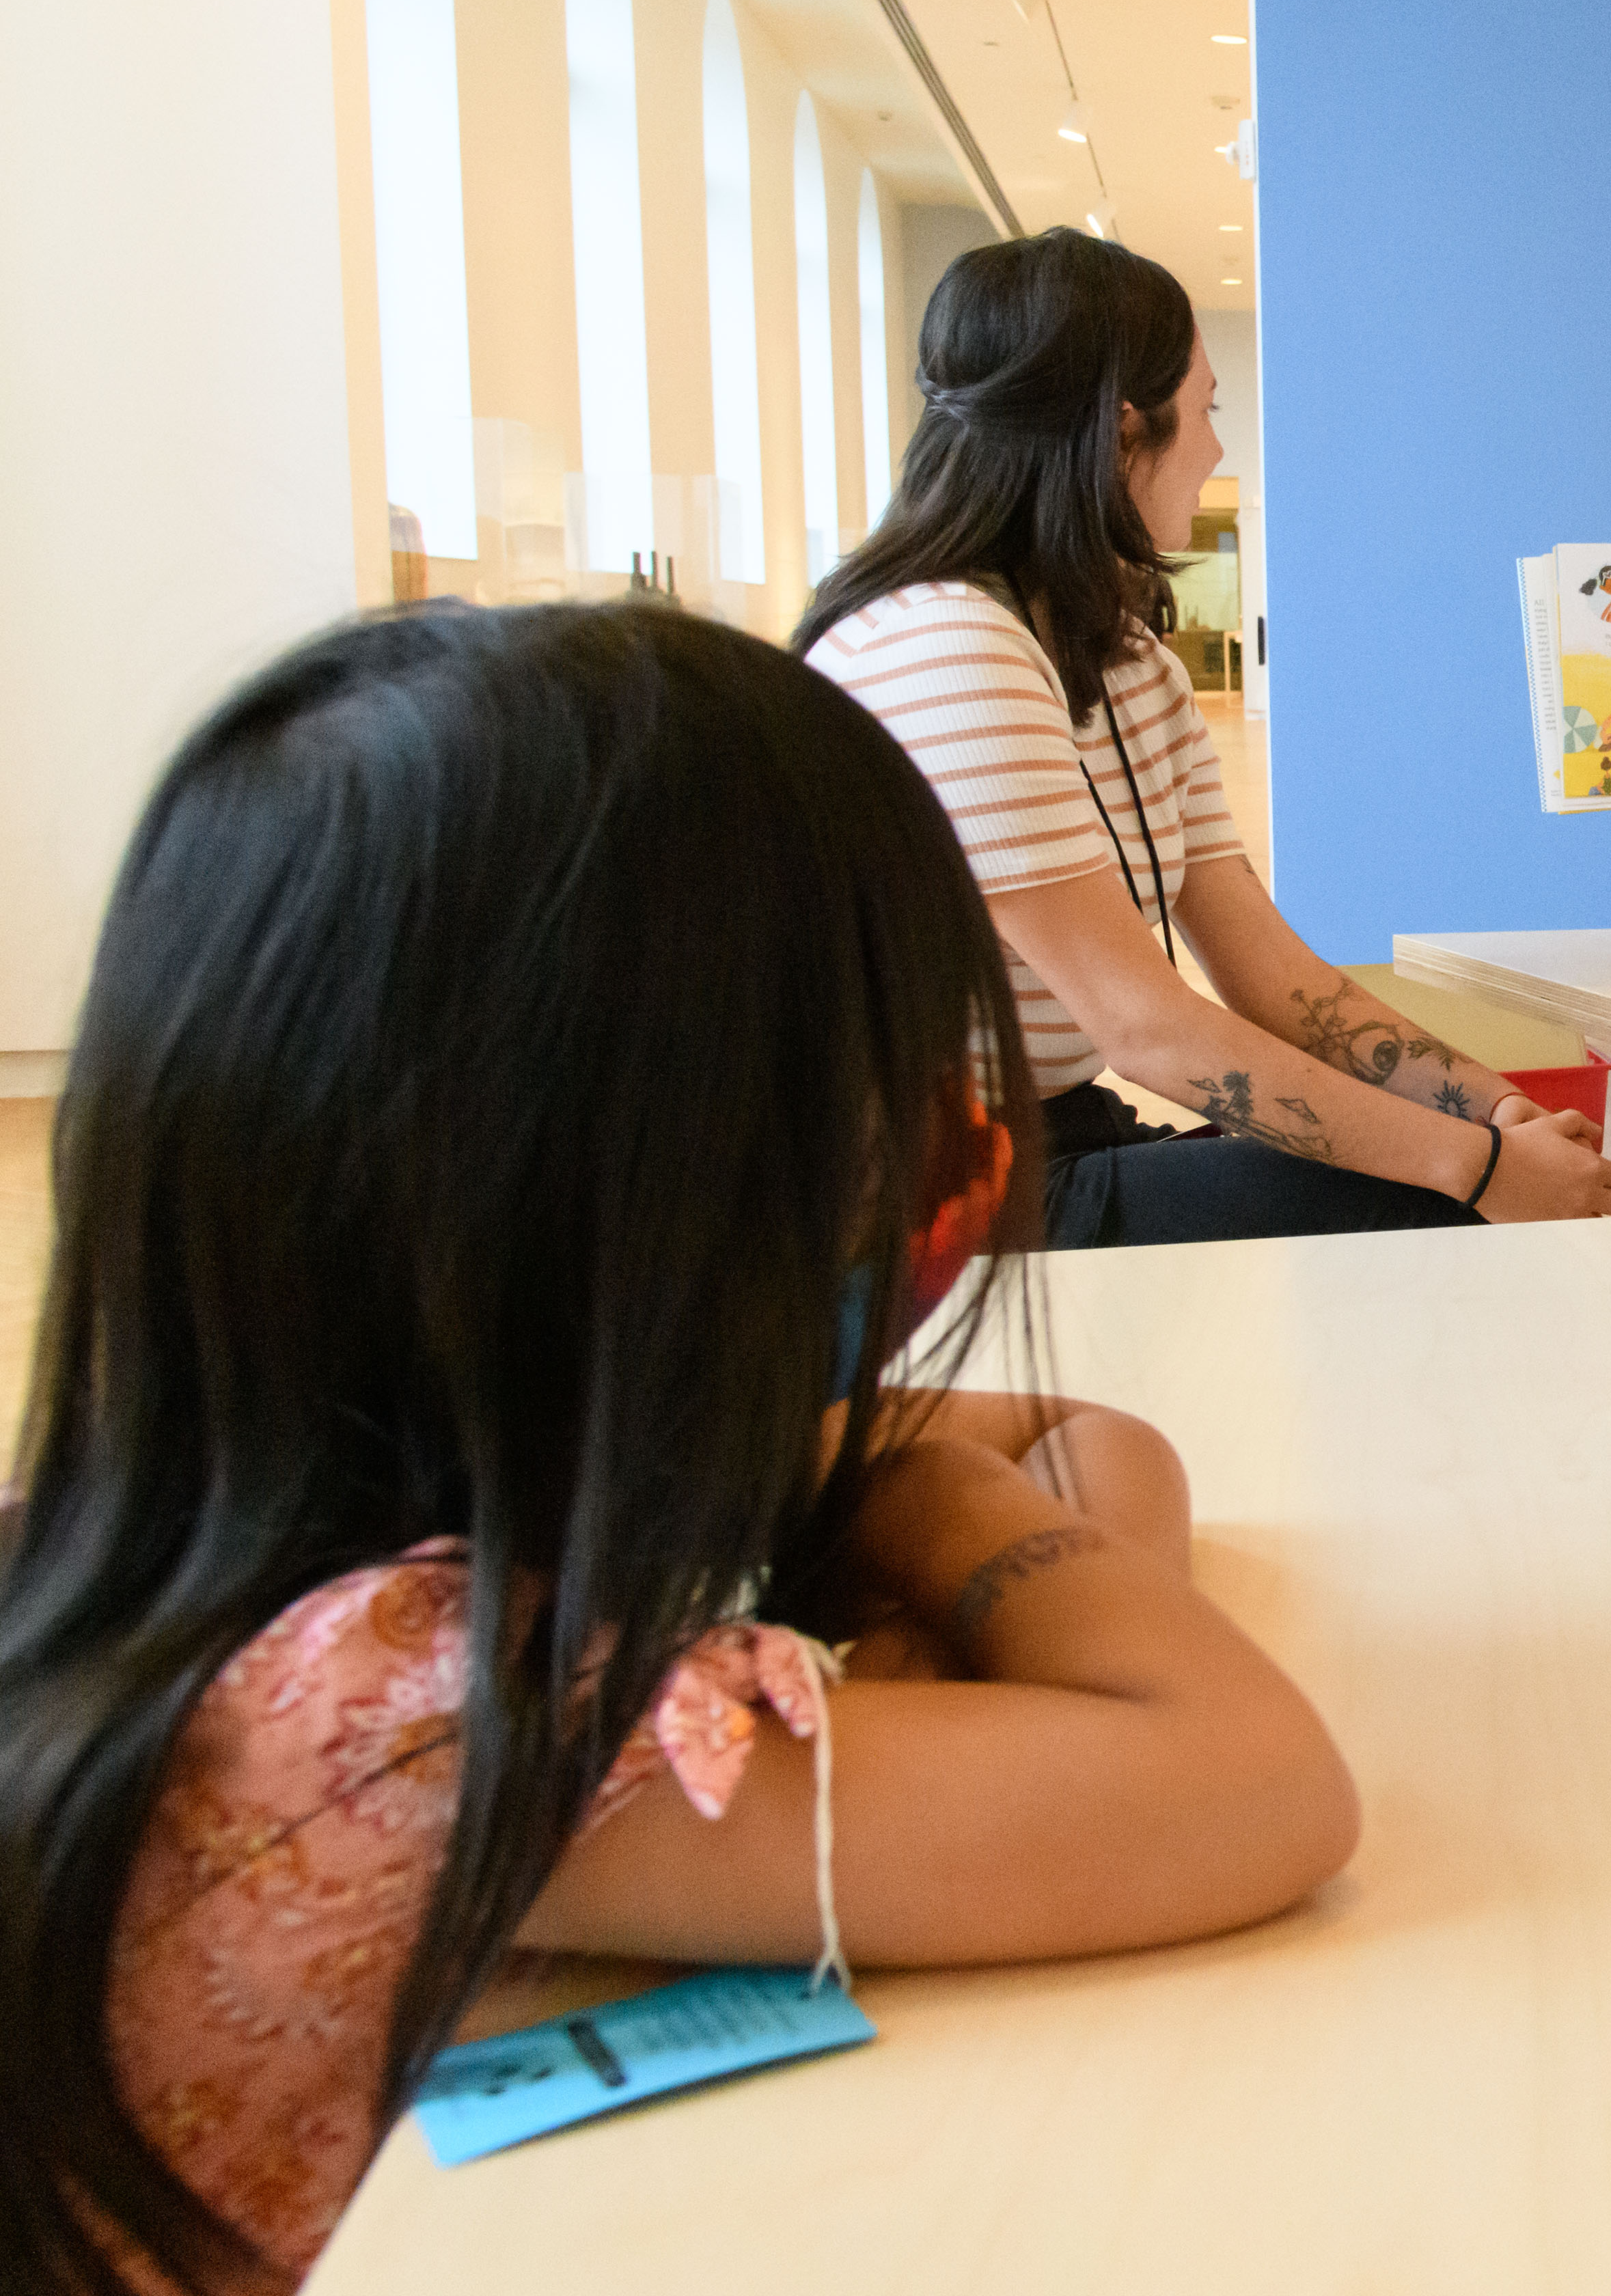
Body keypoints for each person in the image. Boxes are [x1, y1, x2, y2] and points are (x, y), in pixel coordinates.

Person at [0, 604, 1361, 2295]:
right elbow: (1251, 1785)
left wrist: (976, 1677)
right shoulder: (405, 1710)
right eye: (876, 1063)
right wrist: (933, 1524)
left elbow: (1107, 1444)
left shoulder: (281, 1516)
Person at [799, 229, 1611, 1246]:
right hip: (917, 1206)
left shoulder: (1127, 658)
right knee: (1439, 1200)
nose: (1219, 446)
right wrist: (1482, 1170)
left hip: (1056, 1143)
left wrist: (1496, 1111)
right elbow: (1145, 1028)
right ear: (1119, 431)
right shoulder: (947, 648)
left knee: (1461, 1175)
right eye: (1207, 410)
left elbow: (1273, 975)